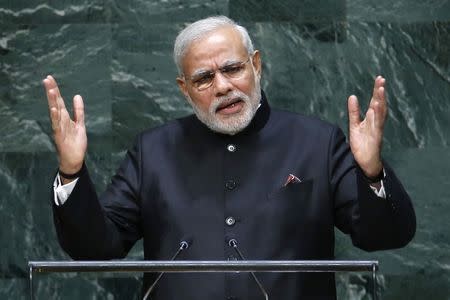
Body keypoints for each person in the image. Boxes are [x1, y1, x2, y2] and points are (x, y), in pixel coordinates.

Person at [44, 16, 416, 299]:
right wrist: (72, 171)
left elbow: (385, 236)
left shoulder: (317, 142)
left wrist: (371, 171)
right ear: (184, 89)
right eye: (204, 78)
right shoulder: (152, 151)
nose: (223, 86)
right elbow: (96, 246)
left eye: (234, 68)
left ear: (256, 65)